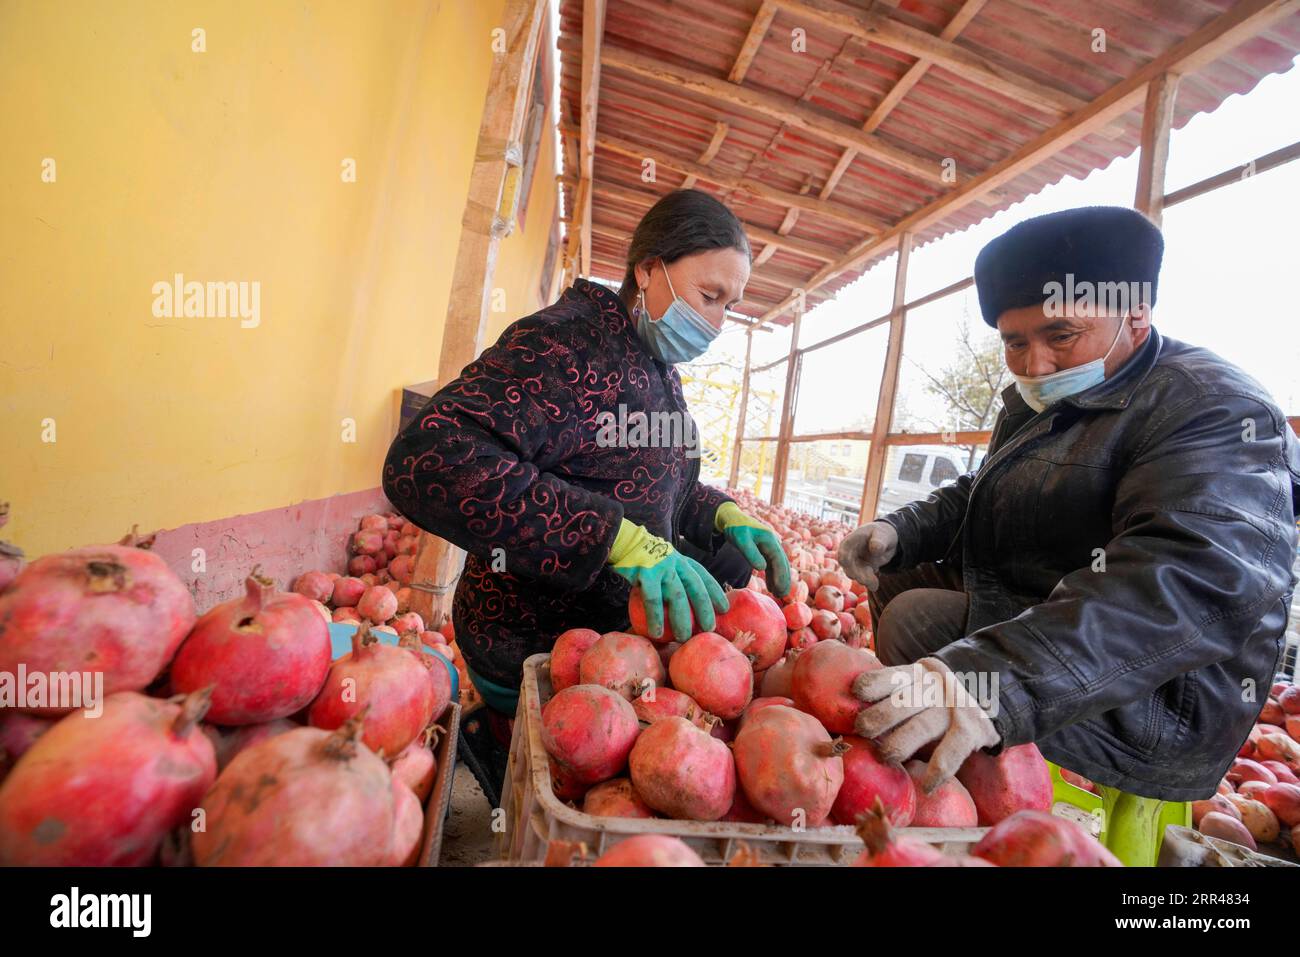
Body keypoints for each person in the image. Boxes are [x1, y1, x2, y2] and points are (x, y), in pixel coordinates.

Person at [838, 206, 1300, 799]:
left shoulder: (1211, 406)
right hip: (1068, 608)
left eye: (1061, 335)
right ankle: (948, 764)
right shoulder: (1045, 399)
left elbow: (1191, 580)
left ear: (1135, 312)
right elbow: (982, 492)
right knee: (898, 576)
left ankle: (985, 792)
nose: (1036, 364)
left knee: (917, 619)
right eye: (1015, 342)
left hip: (1163, 688)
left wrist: (993, 680)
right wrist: (899, 531)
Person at [383, 189, 791, 805]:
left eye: (731, 305)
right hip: (536, 646)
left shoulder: (656, 364)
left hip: (619, 659)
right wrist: (609, 537)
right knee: (537, 785)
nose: (716, 321)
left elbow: (660, 487)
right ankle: (495, 752)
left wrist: (722, 513)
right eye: (710, 297)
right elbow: (430, 457)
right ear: (647, 267)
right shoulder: (565, 343)